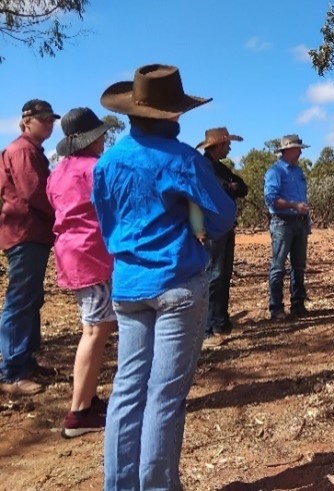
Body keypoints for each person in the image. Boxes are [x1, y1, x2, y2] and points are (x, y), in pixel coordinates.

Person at [91, 64, 235, 490]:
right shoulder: (183, 159)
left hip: (129, 286)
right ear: (173, 115)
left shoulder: (108, 161)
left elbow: (106, 221)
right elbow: (222, 217)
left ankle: (119, 484)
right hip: (177, 283)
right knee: (165, 396)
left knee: (127, 389)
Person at [46, 107, 116, 438]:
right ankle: (78, 414)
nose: (103, 139)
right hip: (93, 255)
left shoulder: (57, 173)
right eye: (100, 134)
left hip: (71, 254)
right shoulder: (96, 168)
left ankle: (88, 400)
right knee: (94, 331)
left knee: (93, 326)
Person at [0, 99, 59, 396]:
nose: (49, 124)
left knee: (31, 298)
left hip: (30, 234)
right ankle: (12, 372)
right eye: (44, 119)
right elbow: (35, 192)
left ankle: (26, 360)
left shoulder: (28, 149)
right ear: (27, 121)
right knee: (21, 301)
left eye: (51, 120)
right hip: (25, 233)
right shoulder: (23, 150)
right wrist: (63, 214)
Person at [195, 127, 248, 347]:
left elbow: (242, 187)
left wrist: (231, 187)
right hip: (211, 231)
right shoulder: (203, 167)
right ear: (217, 145)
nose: (229, 148)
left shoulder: (221, 168)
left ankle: (220, 321)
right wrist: (228, 187)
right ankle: (205, 329)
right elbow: (206, 194)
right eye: (227, 144)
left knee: (224, 275)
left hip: (225, 229)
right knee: (213, 277)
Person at [263, 134, 311, 320]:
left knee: (298, 266)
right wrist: (293, 205)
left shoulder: (298, 172)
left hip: (300, 222)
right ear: (288, 150)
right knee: (278, 266)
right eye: (298, 148)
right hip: (282, 223)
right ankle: (276, 308)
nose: (300, 152)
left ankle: (298, 304)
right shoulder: (275, 172)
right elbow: (271, 199)